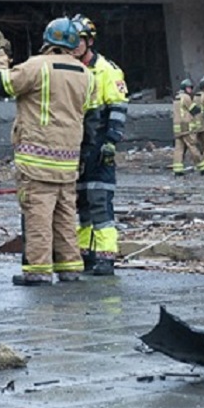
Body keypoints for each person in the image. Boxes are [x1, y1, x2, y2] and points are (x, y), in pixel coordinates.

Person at [0, 20, 96, 286]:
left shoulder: (37, 66)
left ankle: (38, 271)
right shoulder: (85, 74)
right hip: (68, 159)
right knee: (65, 215)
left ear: (48, 41)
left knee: (38, 215)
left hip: (36, 160)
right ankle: (70, 267)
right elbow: (88, 113)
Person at [72, 14, 129, 276]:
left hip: (98, 144)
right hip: (77, 146)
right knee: (82, 203)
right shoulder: (70, 69)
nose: (73, 46)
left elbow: (117, 108)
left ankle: (106, 256)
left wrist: (110, 142)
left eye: (78, 41)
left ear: (89, 41)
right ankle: (85, 252)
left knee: (99, 201)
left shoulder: (107, 70)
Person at [172, 78, 204, 175]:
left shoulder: (176, 97)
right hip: (186, 127)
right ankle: (202, 166)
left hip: (177, 128)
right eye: (189, 88)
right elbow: (193, 109)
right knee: (192, 146)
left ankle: (177, 169)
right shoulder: (185, 97)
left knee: (179, 148)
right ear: (185, 88)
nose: (190, 90)